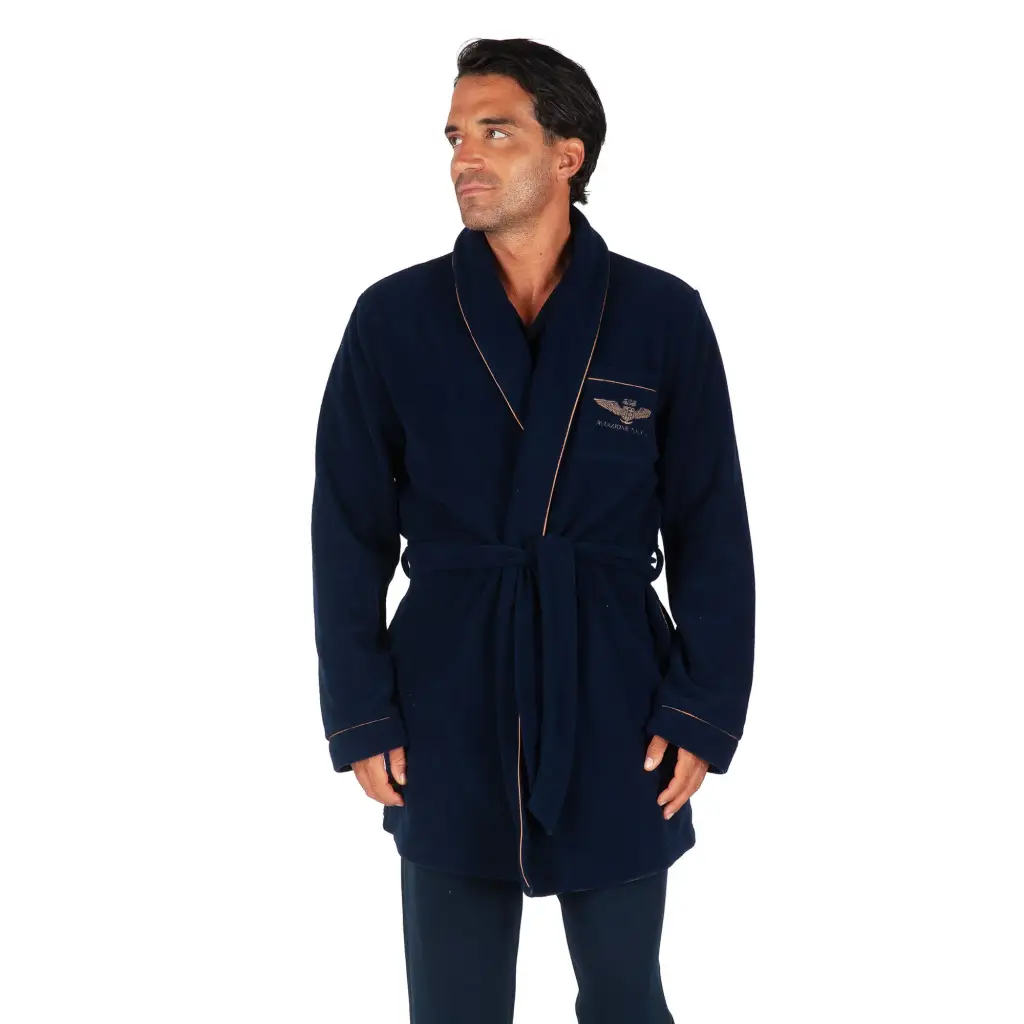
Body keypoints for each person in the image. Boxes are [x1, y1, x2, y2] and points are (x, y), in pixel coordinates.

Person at [311, 36, 756, 1023]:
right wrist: (362, 712)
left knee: (626, 996)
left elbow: (711, 525)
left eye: (495, 131)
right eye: (454, 137)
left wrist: (701, 705)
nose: (464, 157)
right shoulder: (393, 318)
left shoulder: (660, 316)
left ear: (568, 153)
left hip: (616, 690)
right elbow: (346, 530)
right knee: (453, 1004)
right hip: (445, 692)